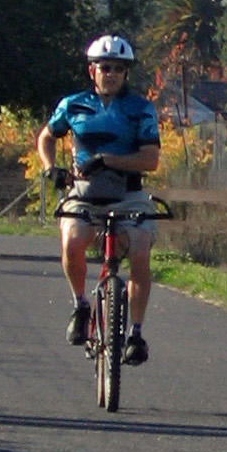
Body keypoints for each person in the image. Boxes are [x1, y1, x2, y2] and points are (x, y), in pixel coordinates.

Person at [36, 35, 162, 364]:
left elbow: (150, 159)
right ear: (93, 70)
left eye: (118, 69)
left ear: (126, 74)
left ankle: (135, 332)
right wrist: (52, 168)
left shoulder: (140, 109)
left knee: (139, 249)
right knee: (72, 241)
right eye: (105, 68)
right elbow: (47, 136)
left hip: (129, 194)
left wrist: (107, 159)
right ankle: (80, 304)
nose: (111, 74)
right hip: (84, 193)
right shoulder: (73, 104)